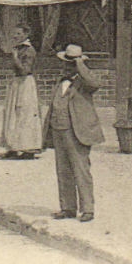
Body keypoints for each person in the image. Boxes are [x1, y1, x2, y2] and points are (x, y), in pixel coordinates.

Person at [42, 43, 102, 221]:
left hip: (77, 131)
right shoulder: (61, 81)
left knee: (81, 170)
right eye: (65, 63)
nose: (65, 67)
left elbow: (95, 83)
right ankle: (68, 207)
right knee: (63, 170)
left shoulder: (84, 82)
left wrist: (79, 64)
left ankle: (88, 209)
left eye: (69, 63)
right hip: (59, 129)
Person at [0, 30, 42, 160]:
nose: (14, 36)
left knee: (25, 113)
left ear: (25, 35)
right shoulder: (18, 49)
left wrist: (15, 57)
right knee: (12, 113)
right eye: (15, 33)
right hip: (17, 83)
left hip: (25, 84)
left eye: (18, 33)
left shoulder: (29, 50)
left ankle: (28, 148)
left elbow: (25, 70)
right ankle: (13, 146)